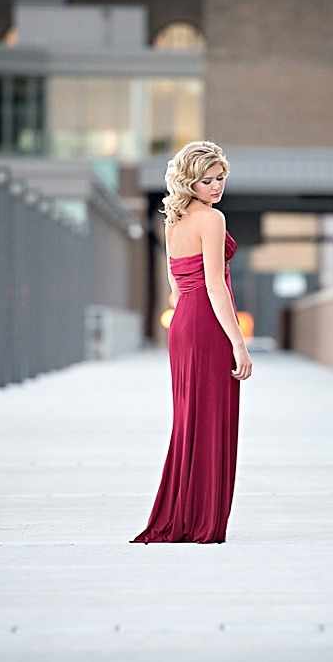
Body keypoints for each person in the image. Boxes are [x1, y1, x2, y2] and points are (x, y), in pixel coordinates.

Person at [132, 140, 252, 544]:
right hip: (207, 324)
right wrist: (239, 343)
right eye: (207, 180)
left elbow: (175, 285)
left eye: (220, 178)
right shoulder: (211, 221)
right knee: (210, 418)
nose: (217, 187)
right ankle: (203, 518)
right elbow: (216, 288)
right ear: (190, 182)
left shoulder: (173, 220)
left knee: (190, 419)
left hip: (183, 324)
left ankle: (186, 513)